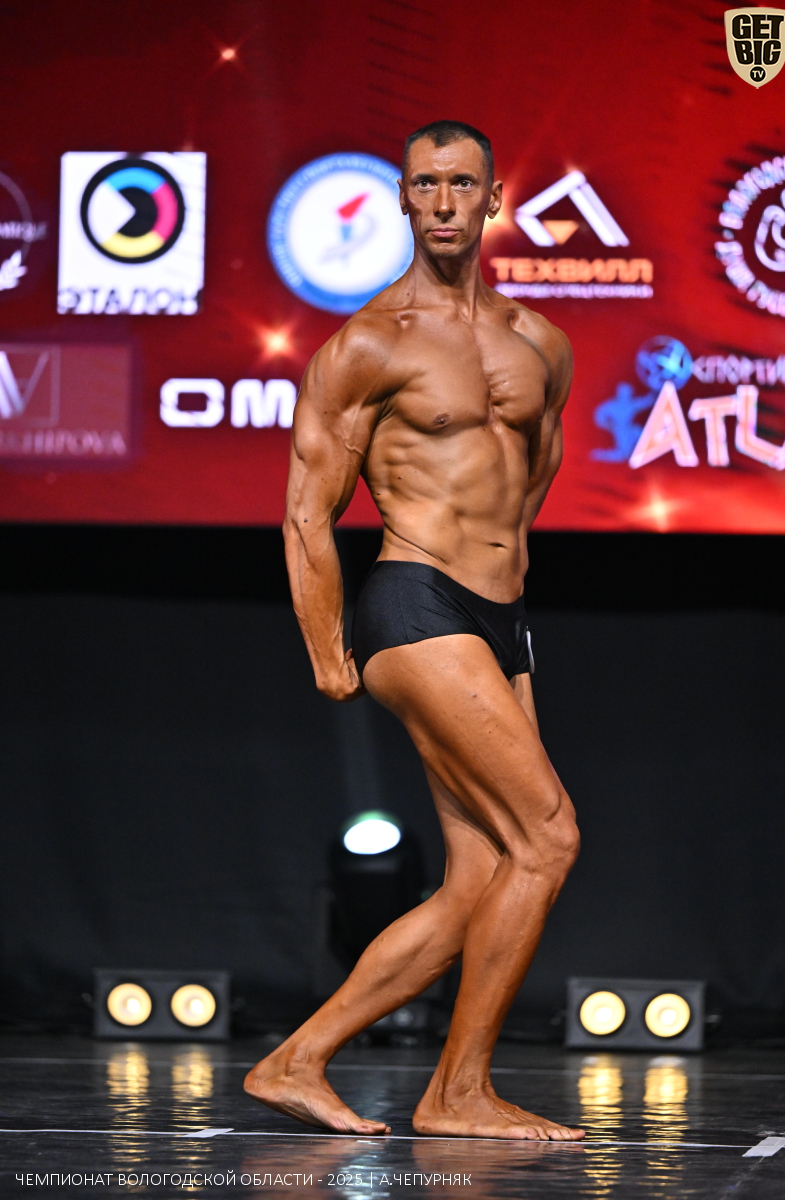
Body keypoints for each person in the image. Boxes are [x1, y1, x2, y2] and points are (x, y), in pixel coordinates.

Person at [245, 120, 584, 1142]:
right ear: (400, 198)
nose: (442, 202)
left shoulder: (539, 343)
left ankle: (296, 1060)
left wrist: (503, 592)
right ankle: (457, 1093)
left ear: (493, 200)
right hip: (414, 601)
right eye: (424, 184)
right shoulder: (369, 344)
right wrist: (326, 649)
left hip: (499, 619)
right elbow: (308, 511)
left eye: (461, 184)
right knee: (549, 837)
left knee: (480, 879)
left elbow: (531, 478)